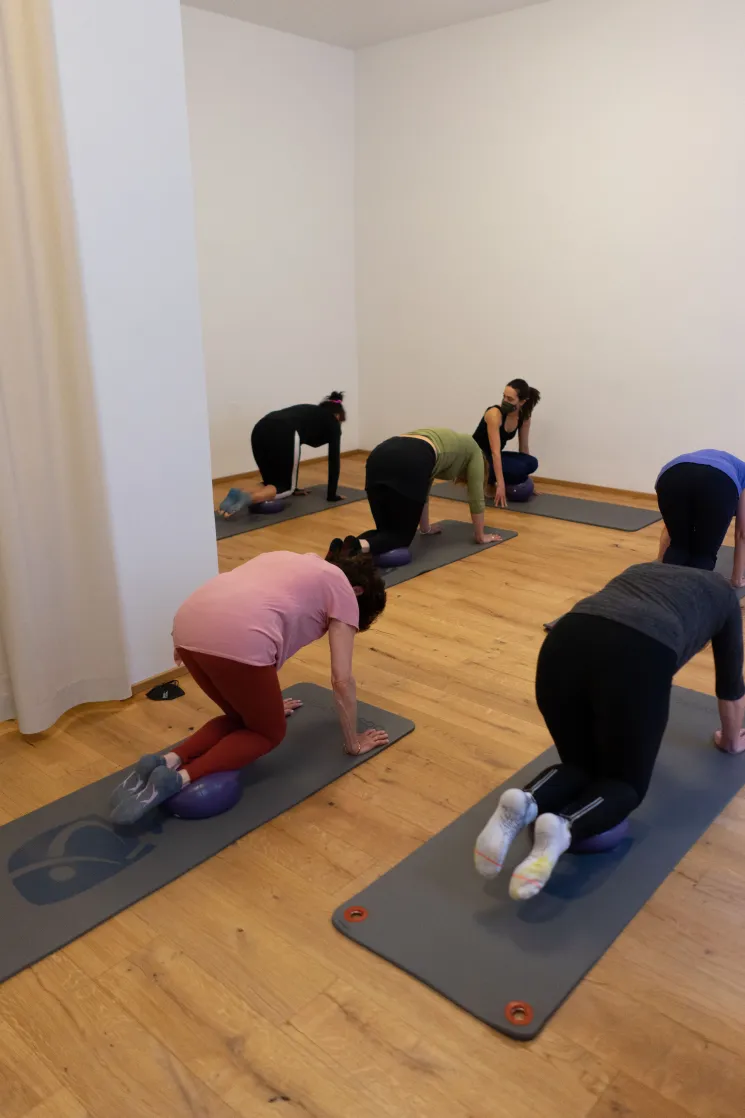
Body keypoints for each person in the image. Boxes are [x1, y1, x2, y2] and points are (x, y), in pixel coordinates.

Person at [474, 562, 745, 900]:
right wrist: (731, 741)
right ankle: (562, 827)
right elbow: (731, 687)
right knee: (625, 785)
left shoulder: (641, 569)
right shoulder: (725, 598)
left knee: (580, 766)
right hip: (636, 655)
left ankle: (524, 801)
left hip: (564, 642)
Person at [110, 542, 388, 824]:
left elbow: (246, 601)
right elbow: (342, 680)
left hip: (186, 625)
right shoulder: (343, 591)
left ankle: (164, 761)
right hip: (236, 638)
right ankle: (176, 779)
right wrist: (354, 743)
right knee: (268, 733)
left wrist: (268, 706)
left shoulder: (287, 557)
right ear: (358, 591)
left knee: (240, 719)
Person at [344, 428, 501, 557]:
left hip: (379, 454)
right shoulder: (475, 452)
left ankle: (343, 549)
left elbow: (422, 491)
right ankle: (355, 547)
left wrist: (426, 528)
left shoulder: (447, 446)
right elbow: (476, 498)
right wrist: (481, 536)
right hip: (413, 457)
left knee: (385, 532)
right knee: (401, 538)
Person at [218, 392, 346, 518]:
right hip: (285, 431)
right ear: (337, 416)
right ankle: (248, 498)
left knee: (270, 482)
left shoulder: (310, 412)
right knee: (285, 489)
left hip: (260, 428)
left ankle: (237, 493)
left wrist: (295, 487)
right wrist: (332, 495)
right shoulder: (333, 423)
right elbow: (334, 460)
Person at [655, 449, 745, 587]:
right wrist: (737, 579)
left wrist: (658, 565)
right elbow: (741, 533)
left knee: (679, 546)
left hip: (671, 474)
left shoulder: (731, 464)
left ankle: (664, 587)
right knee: (702, 554)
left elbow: (669, 527)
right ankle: (691, 593)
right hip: (718, 482)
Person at [472, 379, 541, 509]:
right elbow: (495, 452)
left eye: (510, 399)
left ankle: (491, 478)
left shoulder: (524, 417)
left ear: (522, 402)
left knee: (532, 462)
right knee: (517, 469)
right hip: (477, 459)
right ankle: (487, 482)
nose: (504, 401)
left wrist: (527, 481)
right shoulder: (494, 414)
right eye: (504, 396)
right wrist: (501, 486)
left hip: (492, 456)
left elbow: (524, 448)